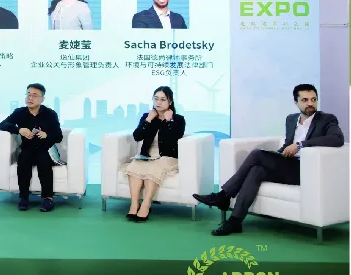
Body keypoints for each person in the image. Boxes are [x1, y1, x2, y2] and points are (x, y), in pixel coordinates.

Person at [194, 84, 345, 236]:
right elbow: (287, 145)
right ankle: (235, 221)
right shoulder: (291, 119)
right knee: (257, 170)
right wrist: (279, 154)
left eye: (313, 99)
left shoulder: (326, 119)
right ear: (296, 102)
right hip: (289, 164)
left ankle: (223, 196)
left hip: (305, 170)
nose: (310, 103)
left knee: (257, 155)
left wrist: (300, 145)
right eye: (305, 100)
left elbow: (337, 138)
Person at [124, 86, 186, 222]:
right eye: (156, 99)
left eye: (163, 99)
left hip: (168, 157)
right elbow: (137, 136)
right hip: (148, 155)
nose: (158, 102)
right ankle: (134, 204)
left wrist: (169, 121)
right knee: (134, 166)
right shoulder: (147, 116)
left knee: (154, 167)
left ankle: (146, 205)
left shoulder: (178, 119)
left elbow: (174, 139)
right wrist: (148, 120)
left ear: (170, 102)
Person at [0, 83, 63, 212]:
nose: (30, 98)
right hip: (27, 148)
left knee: (43, 161)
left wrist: (47, 135)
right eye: (28, 94)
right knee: (23, 160)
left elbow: (59, 136)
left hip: (45, 149)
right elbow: (3, 124)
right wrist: (19, 130)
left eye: (34, 95)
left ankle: (48, 199)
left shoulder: (50, 114)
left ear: (42, 99)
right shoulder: (19, 112)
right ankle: (23, 198)